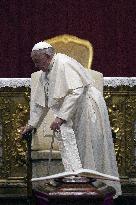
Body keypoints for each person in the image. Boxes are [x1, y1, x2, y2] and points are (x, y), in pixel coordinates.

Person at [22, 41, 122, 197]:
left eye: (37, 61)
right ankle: (78, 186)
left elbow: (76, 92)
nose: (35, 65)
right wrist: (31, 124)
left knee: (89, 149)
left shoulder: (63, 63)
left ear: (48, 56)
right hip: (74, 112)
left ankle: (94, 191)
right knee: (78, 150)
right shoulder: (46, 73)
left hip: (87, 109)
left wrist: (61, 117)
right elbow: (41, 103)